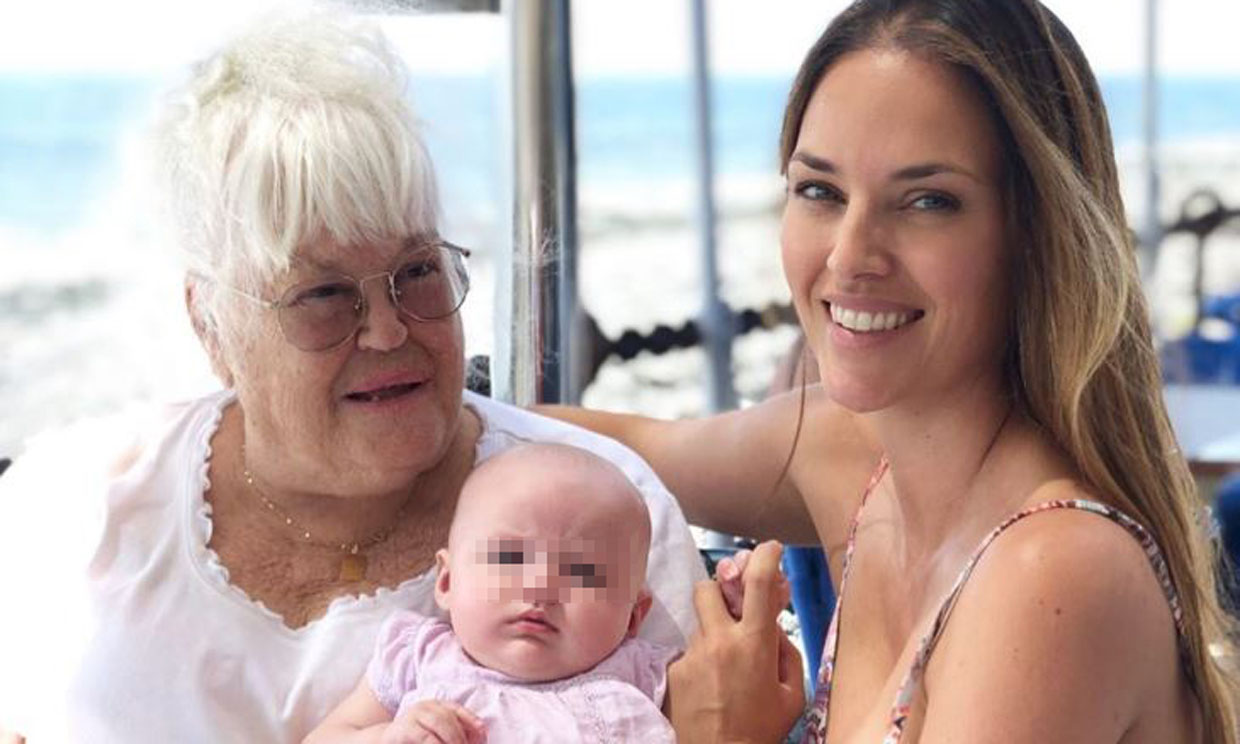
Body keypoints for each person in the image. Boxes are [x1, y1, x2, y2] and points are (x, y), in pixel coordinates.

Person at [544, 0, 1240, 741]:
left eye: (928, 202)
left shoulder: (1050, 575)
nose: (849, 256)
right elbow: (579, 447)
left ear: (1037, 237)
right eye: (820, 191)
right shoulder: (853, 454)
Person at [0, 12, 703, 742]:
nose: (389, 330)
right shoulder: (67, 505)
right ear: (211, 322)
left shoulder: (610, 519)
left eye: (418, 272)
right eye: (324, 294)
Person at [305, 443, 678, 743]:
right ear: (448, 581)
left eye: (581, 571)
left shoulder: (640, 672)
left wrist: (734, 597)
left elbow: (729, 693)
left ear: (633, 616)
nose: (540, 587)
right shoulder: (420, 657)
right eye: (511, 557)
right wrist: (388, 737)